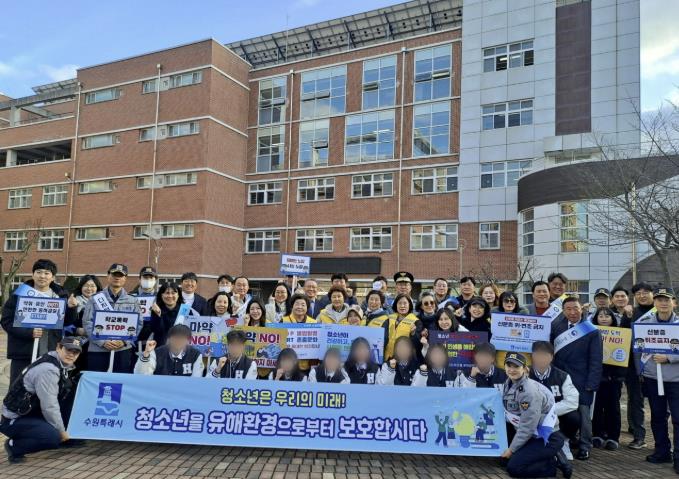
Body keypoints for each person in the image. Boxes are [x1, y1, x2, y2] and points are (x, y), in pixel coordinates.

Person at [0, 337, 83, 463]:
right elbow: (49, 406)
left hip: (30, 413)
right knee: (52, 437)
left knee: (69, 401)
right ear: (59, 347)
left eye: (75, 352)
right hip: (14, 419)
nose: (71, 354)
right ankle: (14, 446)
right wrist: (62, 431)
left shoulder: (56, 361)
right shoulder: (48, 370)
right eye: (68, 350)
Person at [1, 259, 77, 385]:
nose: (42, 276)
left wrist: (71, 308)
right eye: (39, 272)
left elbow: (67, 321)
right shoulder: (20, 294)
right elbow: (6, 321)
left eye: (47, 273)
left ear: (53, 277)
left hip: (50, 350)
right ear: (33, 275)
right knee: (19, 387)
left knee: (45, 388)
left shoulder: (61, 295)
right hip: (23, 351)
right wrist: (28, 332)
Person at [501, 352, 572, 478]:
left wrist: (511, 450)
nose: (512, 370)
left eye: (516, 366)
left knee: (514, 468)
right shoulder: (509, 383)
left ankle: (552, 463)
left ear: (524, 369)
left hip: (547, 437)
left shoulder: (528, 392)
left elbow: (527, 426)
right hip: (533, 436)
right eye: (509, 366)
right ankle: (549, 456)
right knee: (503, 461)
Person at [550, 296, 602, 460]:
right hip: (560, 377)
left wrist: (592, 383)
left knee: (584, 414)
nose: (572, 312)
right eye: (568, 309)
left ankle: (585, 446)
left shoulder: (592, 330)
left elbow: (596, 359)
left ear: (582, 309)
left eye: (576, 308)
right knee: (562, 411)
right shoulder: (556, 326)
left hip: (582, 378)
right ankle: (564, 440)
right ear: (563, 311)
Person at [635, 287, 679, 469]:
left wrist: (669, 358)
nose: (663, 303)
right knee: (658, 417)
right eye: (660, 300)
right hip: (653, 378)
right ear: (654, 302)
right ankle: (662, 451)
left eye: (667, 300)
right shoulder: (644, 324)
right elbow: (638, 350)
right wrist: (641, 372)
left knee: (677, 419)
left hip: (676, 380)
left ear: (673, 302)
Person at [82, 263, 142, 373]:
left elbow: (138, 324)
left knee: (119, 381)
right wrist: (102, 342)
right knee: (97, 381)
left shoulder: (132, 300)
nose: (117, 278)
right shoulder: (95, 299)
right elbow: (87, 322)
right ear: (108, 276)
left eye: (120, 275)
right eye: (114, 274)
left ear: (125, 278)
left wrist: (124, 341)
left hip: (122, 350)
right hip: (98, 349)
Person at [529, 341, 580, 460]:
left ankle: (564, 442)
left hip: (556, 416)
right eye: (538, 355)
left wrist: (549, 411)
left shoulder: (562, 376)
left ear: (551, 357)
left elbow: (572, 402)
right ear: (532, 356)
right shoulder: (524, 374)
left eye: (545, 355)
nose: (541, 359)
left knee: (574, 417)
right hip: (531, 415)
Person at [590, 307, 628, 451]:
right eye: (601, 316)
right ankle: (597, 434)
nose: (604, 318)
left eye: (607, 316)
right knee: (597, 407)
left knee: (613, 408)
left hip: (614, 378)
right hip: (596, 377)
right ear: (596, 318)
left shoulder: (620, 334)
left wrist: (618, 375)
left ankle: (613, 437)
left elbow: (624, 357)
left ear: (612, 318)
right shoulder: (591, 333)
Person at [626, 281, 654, 449]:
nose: (642, 296)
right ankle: (638, 436)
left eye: (645, 292)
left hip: (659, 364)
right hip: (634, 365)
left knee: (660, 404)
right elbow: (622, 335)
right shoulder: (632, 313)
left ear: (652, 293)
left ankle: (661, 439)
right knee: (636, 401)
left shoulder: (661, 311)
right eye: (638, 293)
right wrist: (626, 315)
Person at [134, 324, 203, 377]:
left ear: (188, 341)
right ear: (169, 339)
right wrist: (146, 354)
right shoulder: (156, 353)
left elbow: (196, 379)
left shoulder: (196, 355)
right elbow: (142, 375)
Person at [368, 293, 421, 360]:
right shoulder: (389, 319)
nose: (402, 306)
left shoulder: (416, 321)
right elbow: (383, 339)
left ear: (409, 305)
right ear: (396, 305)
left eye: (405, 303)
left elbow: (418, 345)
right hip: (387, 359)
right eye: (399, 303)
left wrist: (413, 334)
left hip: (404, 360)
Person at [144, 282, 184, 347]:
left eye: (173, 293)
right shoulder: (156, 309)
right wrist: (158, 314)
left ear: (178, 295)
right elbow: (157, 330)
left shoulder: (185, 310)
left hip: (180, 347)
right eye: (167, 293)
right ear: (161, 295)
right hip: (160, 348)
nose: (170, 296)